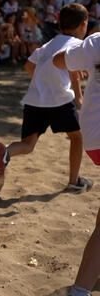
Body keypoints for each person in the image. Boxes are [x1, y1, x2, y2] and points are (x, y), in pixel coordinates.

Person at [0, 3, 91, 191]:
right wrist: (79, 97)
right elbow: (74, 72)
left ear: (60, 24)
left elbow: (29, 65)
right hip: (60, 99)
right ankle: (74, 181)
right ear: (84, 25)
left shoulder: (49, 44)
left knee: (28, 144)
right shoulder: (78, 45)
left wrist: (43, 82)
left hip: (35, 99)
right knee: (77, 137)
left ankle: (6, 152)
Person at [53, 33, 100, 296]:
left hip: (95, 135)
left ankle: (82, 289)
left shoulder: (96, 42)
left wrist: (83, 56)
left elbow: (60, 61)